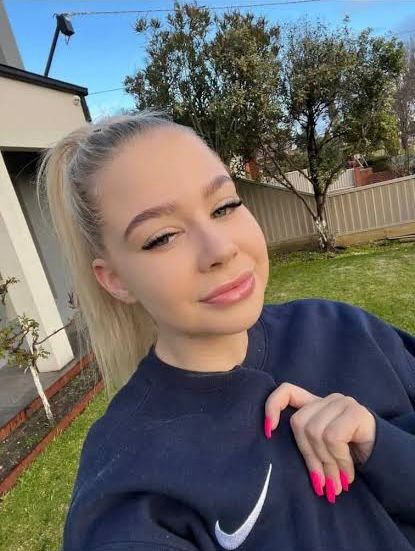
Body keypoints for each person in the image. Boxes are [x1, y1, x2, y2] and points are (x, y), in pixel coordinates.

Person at [35, 110, 415, 551]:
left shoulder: (345, 330)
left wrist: (380, 445)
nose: (220, 249)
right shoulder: (129, 476)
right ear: (115, 280)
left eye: (224, 207)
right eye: (162, 237)